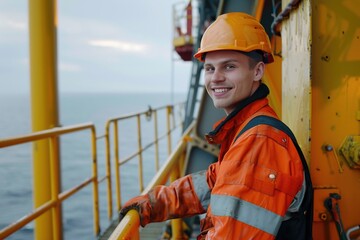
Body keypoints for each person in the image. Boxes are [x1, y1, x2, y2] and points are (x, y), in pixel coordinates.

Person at [119, 12, 312, 239]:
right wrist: (153, 204)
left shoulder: (259, 141)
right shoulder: (245, 128)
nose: (216, 78)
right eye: (210, 69)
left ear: (257, 71)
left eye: (229, 67)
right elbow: (213, 181)